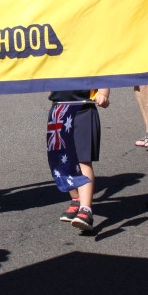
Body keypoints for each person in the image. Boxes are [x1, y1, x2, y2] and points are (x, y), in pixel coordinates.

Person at [50, 87, 110, 233]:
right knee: (63, 158)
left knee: (83, 159)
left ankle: (86, 209)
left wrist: (103, 93)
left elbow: (101, 71)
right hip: (59, 108)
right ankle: (76, 199)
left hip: (83, 108)